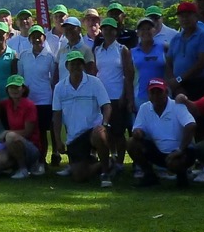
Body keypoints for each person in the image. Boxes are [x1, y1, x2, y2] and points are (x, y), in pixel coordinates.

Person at [52, 51, 115, 186]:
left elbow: (107, 106)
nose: (76, 66)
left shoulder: (95, 82)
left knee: (99, 134)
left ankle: (105, 173)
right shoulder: (59, 87)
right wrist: (58, 140)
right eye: (72, 64)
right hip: (74, 137)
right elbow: (57, 115)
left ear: (83, 65)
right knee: (78, 176)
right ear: (67, 66)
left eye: (79, 63)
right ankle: (106, 163)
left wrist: (104, 124)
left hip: (93, 130)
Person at [129, 78, 196, 188]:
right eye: (152, 92)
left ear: (166, 92)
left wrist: (180, 150)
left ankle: (182, 176)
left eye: (159, 92)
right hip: (159, 151)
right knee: (132, 143)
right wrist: (138, 133)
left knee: (175, 164)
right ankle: (149, 175)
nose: (156, 95)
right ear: (148, 94)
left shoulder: (177, 105)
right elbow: (137, 129)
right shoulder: (144, 108)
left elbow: (191, 125)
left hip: (181, 151)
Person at [93, 18, 135, 167]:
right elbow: (96, 72)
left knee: (118, 132)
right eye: (105, 29)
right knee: (106, 131)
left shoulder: (122, 49)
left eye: (111, 29)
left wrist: (126, 96)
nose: (108, 32)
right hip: (102, 97)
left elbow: (128, 75)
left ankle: (119, 163)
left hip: (117, 96)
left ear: (116, 31)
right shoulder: (97, 50)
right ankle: (112, 156)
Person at [17, 26, 59, 167]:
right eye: (33, 36)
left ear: (44, 38)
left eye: (39, 36)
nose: (36, 39)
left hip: (44, 99)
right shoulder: (23, 55)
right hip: (28, 100)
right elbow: (20, 77)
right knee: (30, 131)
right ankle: (31, 160)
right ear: (29, 39)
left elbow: (53, 79)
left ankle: (42, 161)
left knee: (42, 131)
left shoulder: (50, 57)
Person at [0, 74, 44, 179]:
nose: (14, 90)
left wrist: (6, 132)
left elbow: (28, 132)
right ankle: (19, 167)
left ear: (23, 89)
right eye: (11, 87)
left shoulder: (29, 105)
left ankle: (23, 169)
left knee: (10, 136)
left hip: (31, 147)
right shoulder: (7, 103)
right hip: (14, 144)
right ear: (7, 90)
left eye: (17, 87)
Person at [166, 2, 204, 100]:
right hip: (178, 87)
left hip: (198, 85)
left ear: (196, 17)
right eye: (181, 16)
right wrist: (174, 83)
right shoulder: (176, 38)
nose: (184, 19)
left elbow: (201, 64)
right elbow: (169, 63)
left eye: (188, 16)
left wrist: (179, 80)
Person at [132, 18, 167, 112]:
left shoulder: (164, 47)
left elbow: (170, 70)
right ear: (137, 33)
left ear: (154, 30)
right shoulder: (132, 52)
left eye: (148, 29)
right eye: (142, 29)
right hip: (141, 97)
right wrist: (130, 100)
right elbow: (129, 77)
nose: (146, 32)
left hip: (162, 96)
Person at [54, 17, 98, 85]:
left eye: (72, 28)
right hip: (63, 89)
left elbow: (91, 74)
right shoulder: (62, 50)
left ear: (79, 30)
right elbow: (56, 74)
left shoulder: (86, 50)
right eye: (66, 29)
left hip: (81, 89)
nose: (69, 31)